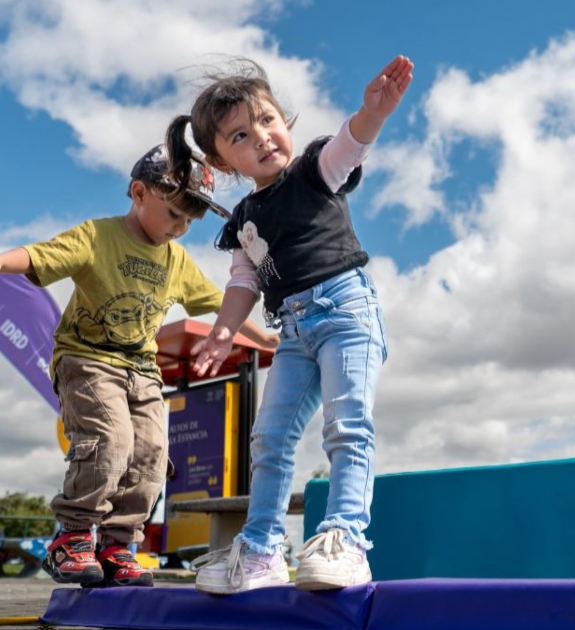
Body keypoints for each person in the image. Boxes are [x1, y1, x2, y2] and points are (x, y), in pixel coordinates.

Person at [0, 145, 278, 588]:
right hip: (86, 359)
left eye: (189, 222)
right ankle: (71, 538)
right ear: (138, 192)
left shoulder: (176, 261)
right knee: (111, 440)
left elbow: (222, 304)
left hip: (142, 370)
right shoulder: (98, 236)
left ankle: (117, 545)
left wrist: (263, 336)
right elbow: (39, 255)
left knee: (151, 454)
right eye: (173, 215)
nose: (180, 229)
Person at [164, 55, 412, 593]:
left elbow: (353, 143)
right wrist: (223, 330)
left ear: (285, 121)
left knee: (347, 426)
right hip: (293, 333)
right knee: (269, 439)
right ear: (222, 160)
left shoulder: (315, 170)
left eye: (268, 121)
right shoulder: (244, 221)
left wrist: (373, 113)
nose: (262, 138)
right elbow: (242, 284)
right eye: (240, 135)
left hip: (347, 312)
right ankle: (260, 551)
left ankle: (345, 539)